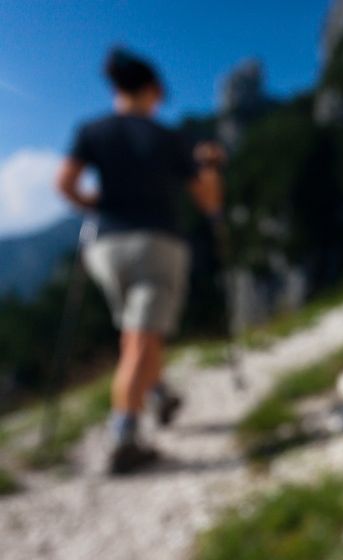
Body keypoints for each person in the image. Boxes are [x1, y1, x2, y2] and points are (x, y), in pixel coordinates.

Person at [56, 48, 224, 474]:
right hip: (157, 243)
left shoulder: (92, 130)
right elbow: (207, 201)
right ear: (150, 91)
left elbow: (65, 183)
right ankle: (125, 434)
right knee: (140, 338)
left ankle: (158, 391)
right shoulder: (166, 138)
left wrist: (95, 203)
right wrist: (207, 166)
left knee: (138, 331)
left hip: (105, 246)